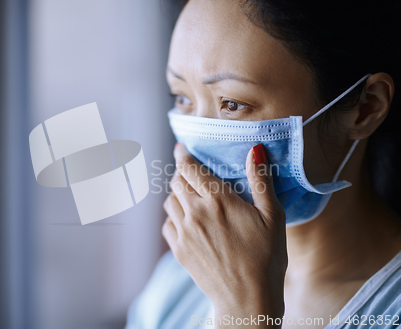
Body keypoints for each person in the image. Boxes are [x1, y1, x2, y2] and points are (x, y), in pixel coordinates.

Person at [125, 0, 401, 328]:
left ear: (365, 108)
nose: (196, 140)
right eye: (182, 98)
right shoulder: (177, 283)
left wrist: (244, 313)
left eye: (232, 103)